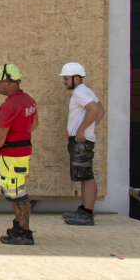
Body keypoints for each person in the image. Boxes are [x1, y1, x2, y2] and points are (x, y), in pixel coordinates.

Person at [0, 64, 39, 245]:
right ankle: (19, 225)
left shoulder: (9, 105)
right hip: (22, 151)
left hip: (11, 154)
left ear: (7, 83)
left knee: (17, 193)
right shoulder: (29, 100)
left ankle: (24, 231)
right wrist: (21, 135)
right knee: (15, 189)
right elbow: (34, 124)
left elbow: (1, 133)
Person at [60, 62, 104, 225]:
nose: (64, 82)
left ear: (76, 78)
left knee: (87, 176)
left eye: (66, 79)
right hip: (83, 139)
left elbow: (94, 109)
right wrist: (90, 128)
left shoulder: (80, 92)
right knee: (84, 176)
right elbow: (101, 110)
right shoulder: (86, 91)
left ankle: (87, 212)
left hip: (80, 141)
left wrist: (82, 130)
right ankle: (84, 209)